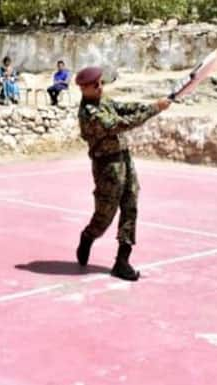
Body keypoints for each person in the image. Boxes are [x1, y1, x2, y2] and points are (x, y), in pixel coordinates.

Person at [73, 66, 171, 281]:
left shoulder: (103, 100)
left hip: (123, 158)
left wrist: (151, 105)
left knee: (130, 205)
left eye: (101, 83)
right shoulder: (90, 113)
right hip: (107, 166)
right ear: (83, 89)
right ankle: (89, 236)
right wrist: (154, 109)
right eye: (96, 85)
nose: (101, 87)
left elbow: (122, 108)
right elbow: (119, 124)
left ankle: (122, 260)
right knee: (105, 214)